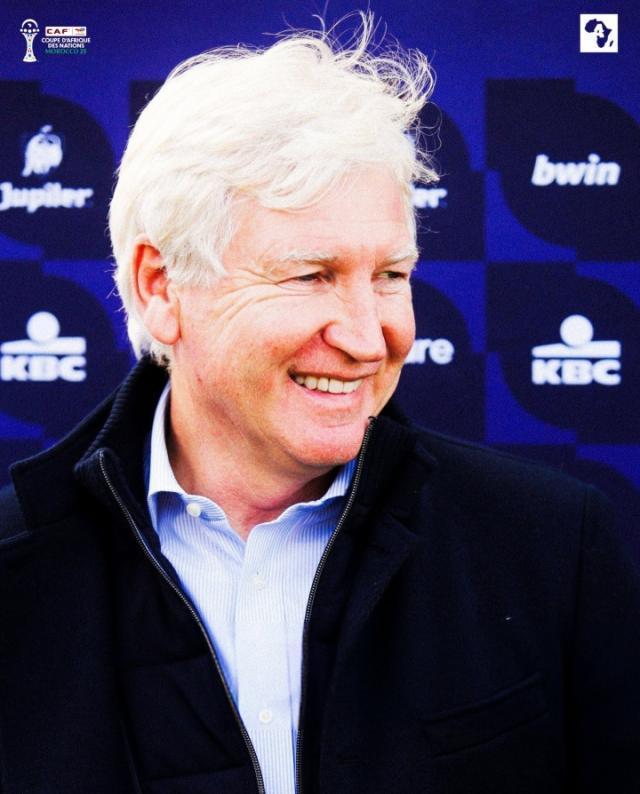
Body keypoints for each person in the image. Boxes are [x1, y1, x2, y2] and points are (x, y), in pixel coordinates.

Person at [1, 16, 639, 794]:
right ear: (161, 287)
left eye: (391, 276)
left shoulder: (551, 547)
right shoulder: (17, 570)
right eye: (311, 276)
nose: (369, 338)